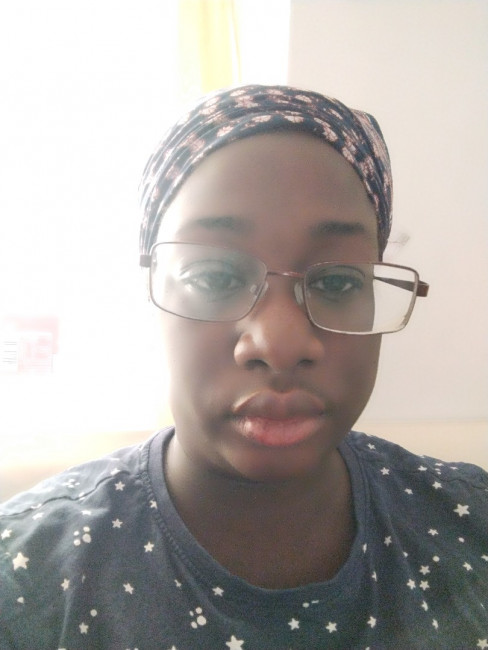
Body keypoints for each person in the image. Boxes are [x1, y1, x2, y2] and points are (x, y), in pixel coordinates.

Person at [1, 85, 487, 649]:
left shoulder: (469, 522)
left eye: (336, 282)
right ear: (152, 292)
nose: (279, 343)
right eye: (214, 276)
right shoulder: (25, 580)